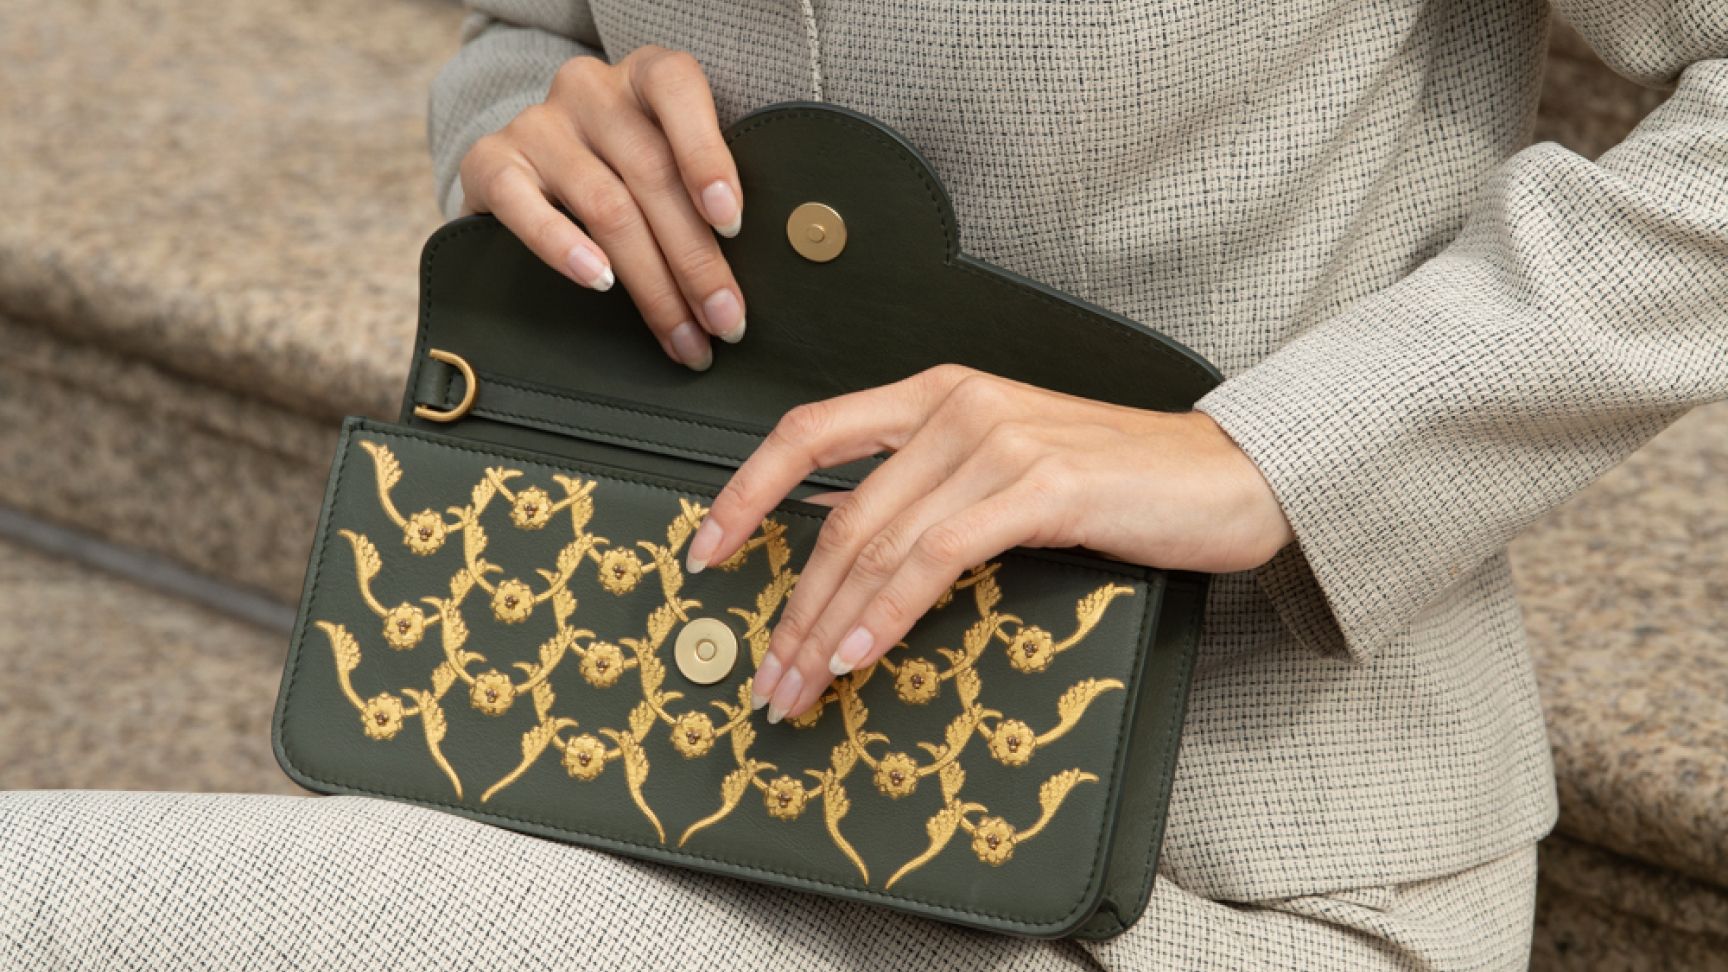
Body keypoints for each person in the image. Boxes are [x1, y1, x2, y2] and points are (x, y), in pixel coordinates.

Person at [3, 1, 1723, 969]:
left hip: (1207, 856)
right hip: (633, 729)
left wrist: (1275, 452)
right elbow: (538, 28)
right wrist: (530, 124)